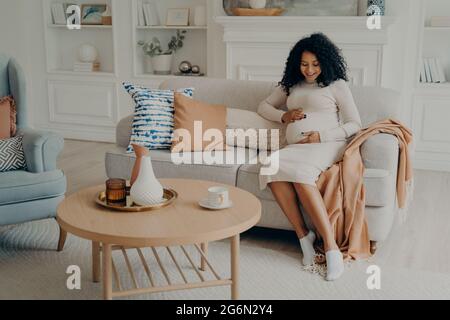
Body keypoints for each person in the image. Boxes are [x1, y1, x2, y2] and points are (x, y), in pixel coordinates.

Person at [258, 33, 363, 281]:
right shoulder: (291, 85)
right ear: (297, 63)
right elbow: (263, 107)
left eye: (315, 64)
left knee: (301, 174)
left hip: (327, 144)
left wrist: (321, 136)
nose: (310, 70)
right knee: (271, 166)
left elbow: (355, 124)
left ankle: (331, 248)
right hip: (296, 148)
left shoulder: (336, 85)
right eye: (304, 64)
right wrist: (283, 117)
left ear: (325, 62)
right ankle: (304, 237)